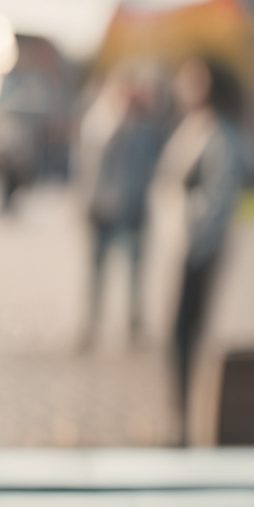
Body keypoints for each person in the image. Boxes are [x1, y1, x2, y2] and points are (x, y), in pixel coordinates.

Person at [153, 56, 244, 420]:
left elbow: (217, 198)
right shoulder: (192, 127)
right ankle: (179, 408)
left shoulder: (220, 133)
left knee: (186, 331)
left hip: (199, 247)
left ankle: (186, 413)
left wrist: (190, 232)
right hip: (179, 243)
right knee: (176, 333)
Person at [74, 65, 165, 350]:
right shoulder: (99, 121)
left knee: (136, 272)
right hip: (101, 208)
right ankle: (89, 326)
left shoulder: (144, 126)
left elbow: (156, 161)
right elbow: (87, 163)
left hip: (132, 208)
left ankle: (134, 327)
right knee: (96, 272)